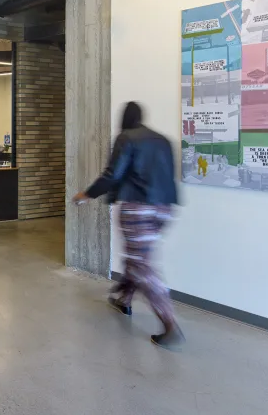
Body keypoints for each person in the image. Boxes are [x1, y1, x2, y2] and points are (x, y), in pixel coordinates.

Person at [71, 102, 183, 349]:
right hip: (165, 208)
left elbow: (113, 174)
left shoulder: (126, 138)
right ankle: (124, 298)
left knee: (142, 264)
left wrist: (86, 195)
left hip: (138, 208)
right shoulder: (163, 140)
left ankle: (170, 323)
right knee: (137, 256)